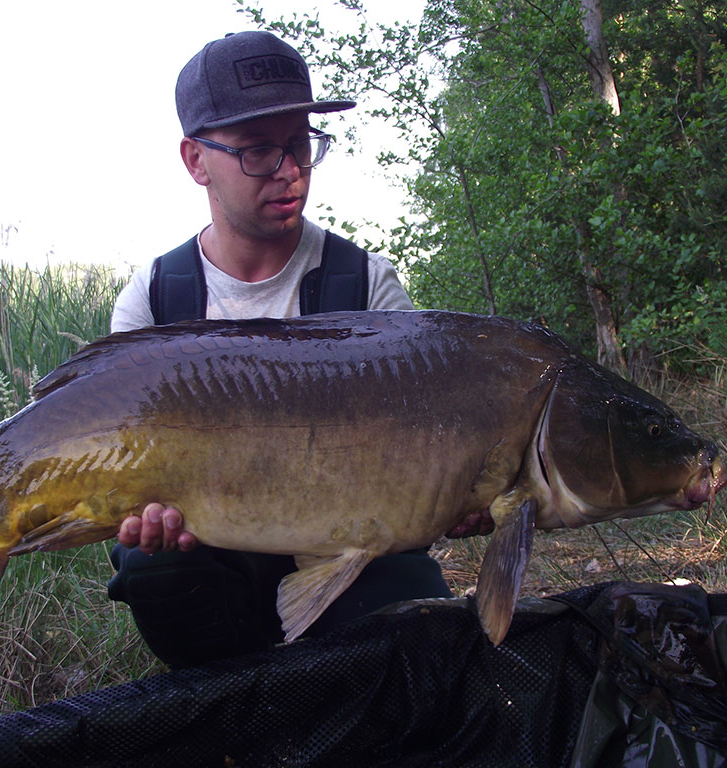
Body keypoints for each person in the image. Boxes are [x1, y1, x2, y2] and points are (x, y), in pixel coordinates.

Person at [107, 30, 489, 668]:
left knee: (413, 614)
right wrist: (134, 516)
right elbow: (120, 462)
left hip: (353, 556)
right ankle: (228, 702)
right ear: (195, 160)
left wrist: (466, 489)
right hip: (213, 557)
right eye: (259, 151)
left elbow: (438, 435)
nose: (288, 172)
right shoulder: (155, 298)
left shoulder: (366, 283)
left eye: (299, 145)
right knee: (151, 567)